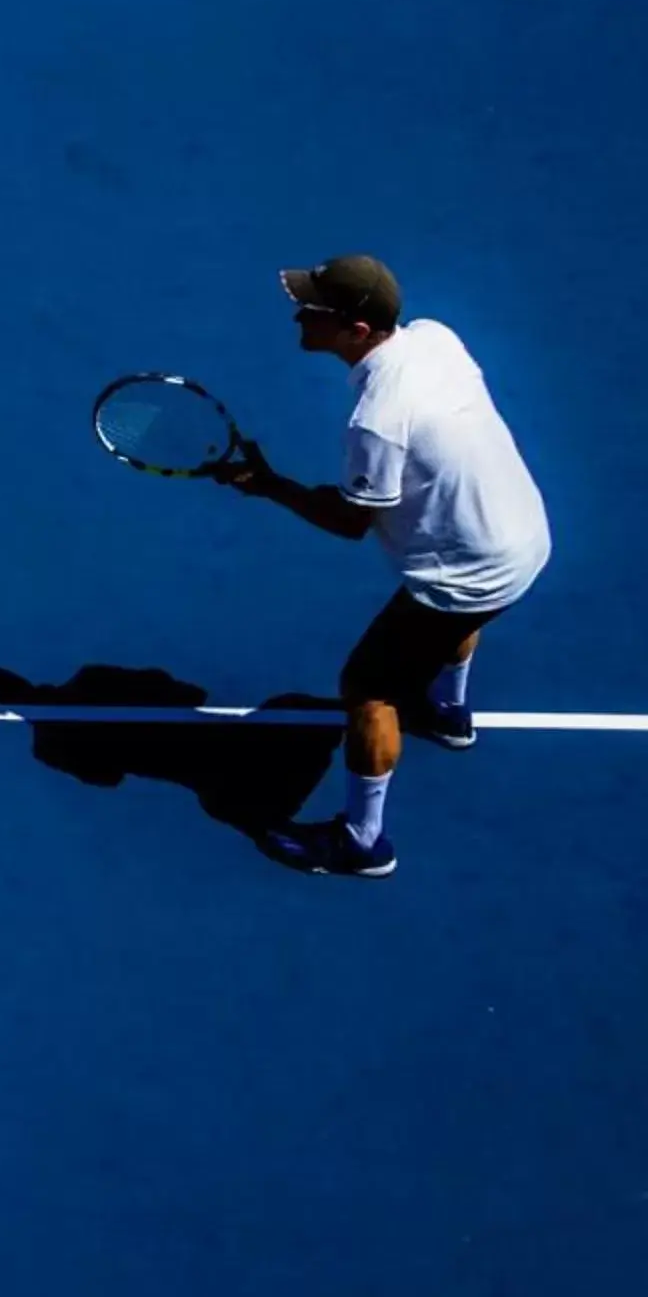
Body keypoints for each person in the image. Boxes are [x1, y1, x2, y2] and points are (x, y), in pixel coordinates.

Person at [220, 255, 551, 877]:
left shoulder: (376, 421)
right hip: (522, 538)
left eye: (314, 308)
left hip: (467, 571)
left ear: (358, 331)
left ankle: (361, 842)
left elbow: (350, 523)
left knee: (368, 688)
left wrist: (268, 485)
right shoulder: (435, 336)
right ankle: (447, 713)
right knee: (447, 618)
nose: (299, 313)